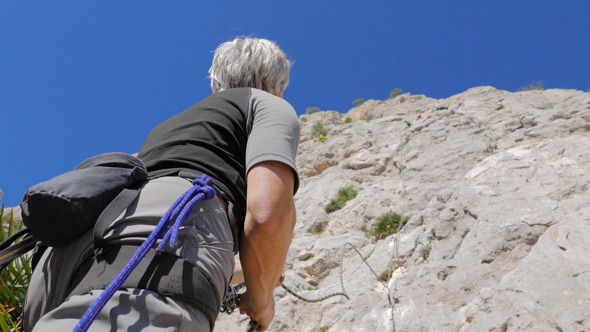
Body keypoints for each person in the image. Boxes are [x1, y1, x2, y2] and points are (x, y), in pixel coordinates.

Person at [24, 37, 299, 332]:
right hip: (161, 241)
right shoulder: (267, 104)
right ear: (278, 84)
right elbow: (267, 217)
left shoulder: (174, 125)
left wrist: (254, 271)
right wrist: (262, 299)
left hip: (71, 261)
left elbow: (159, 242)